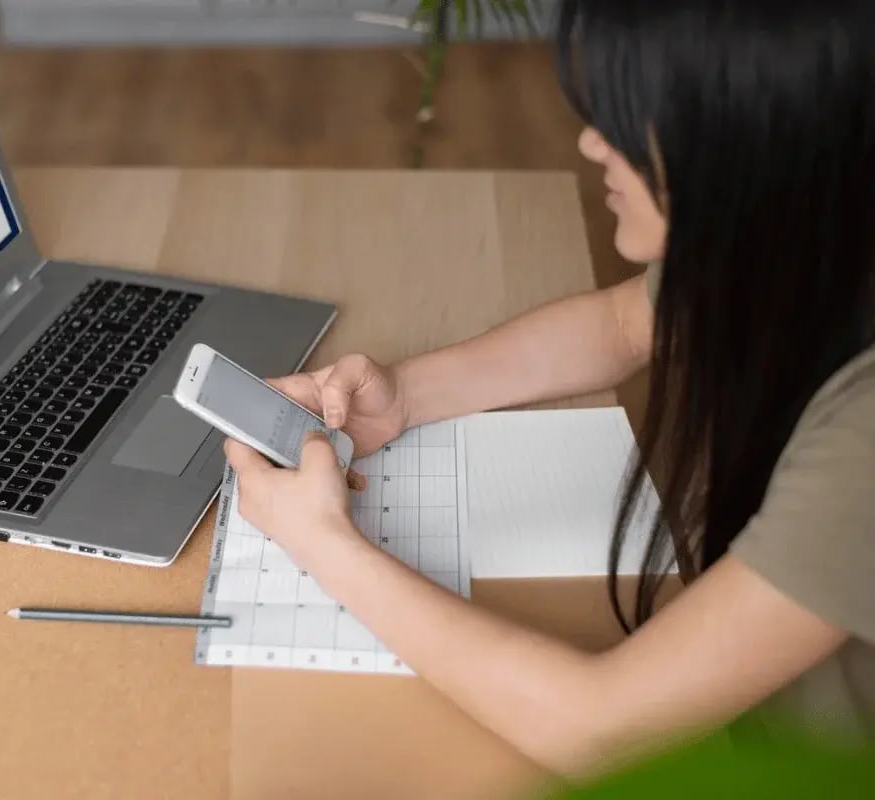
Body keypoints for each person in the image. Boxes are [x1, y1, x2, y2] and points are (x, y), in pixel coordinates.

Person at [222, 0, 875, 776]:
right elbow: (626, 326)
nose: (591, 141)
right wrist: (406, 396)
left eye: (636, 119)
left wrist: (323, 545)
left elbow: (602, 726)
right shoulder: (803, 245)